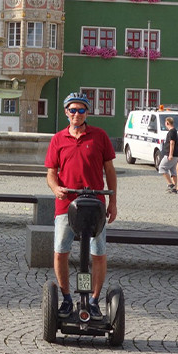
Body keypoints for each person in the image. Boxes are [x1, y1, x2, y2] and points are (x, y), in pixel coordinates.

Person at [45, 93, 119, 319]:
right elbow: (51, 174)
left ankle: (94, 300)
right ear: (66, 112)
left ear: (87, 112)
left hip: (95, 203)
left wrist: (113, 202)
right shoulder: (58, 139)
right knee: (60, 251)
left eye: (81, 110)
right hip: (67, 204)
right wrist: (56, 189)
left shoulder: (99, 136)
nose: (77, 114)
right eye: (72, 110)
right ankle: (67, 298)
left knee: (98, 253)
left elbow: (110, 171)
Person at [159, 116, 178, 193]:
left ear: (167, 123)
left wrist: (170, 154)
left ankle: (170, 184)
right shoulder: (175, 131)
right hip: (176, 154)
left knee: (162, 167)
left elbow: (172, 143)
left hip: (171, 154)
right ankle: (174, 188)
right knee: (173, 170)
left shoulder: (171, 132)